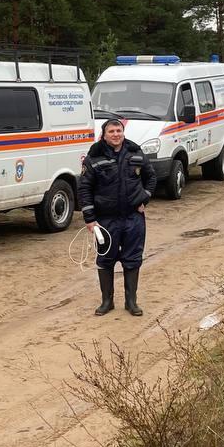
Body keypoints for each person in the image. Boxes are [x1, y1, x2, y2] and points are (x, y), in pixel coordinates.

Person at [79, 118, 156, 316]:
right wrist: (90, 219)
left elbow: (151, 177)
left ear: (123, 133)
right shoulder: (93, 158)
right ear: (104, 135)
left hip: (133, 218)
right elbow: (85, 189)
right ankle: (107, 302)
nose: (116, 134)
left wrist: (144, 199)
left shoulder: (135, 153)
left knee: (132, 258)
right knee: (105, 259)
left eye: (119, 131)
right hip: (106, 220)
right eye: (111, 131)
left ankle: (131, 302)